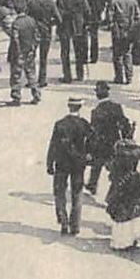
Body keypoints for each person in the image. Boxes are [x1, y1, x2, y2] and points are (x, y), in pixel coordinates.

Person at [104, 124, 140, 251]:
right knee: (135, 209)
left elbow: (108, 165)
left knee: (120, 210)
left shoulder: (117, 149)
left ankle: (121, 240)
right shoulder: (139, 149)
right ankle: (134, 236)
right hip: (134, 180)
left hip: (120, 181)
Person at [46, 96, 92, 235]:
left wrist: (49, 163)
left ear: (68, 106)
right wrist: (88, 157)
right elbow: (91, 142)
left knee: (59, 193)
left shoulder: (60, 124)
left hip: (61, 163)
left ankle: (63, 221)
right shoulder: (84, 124)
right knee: (77, 194)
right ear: (80, 107)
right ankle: (75, 225)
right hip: (78, 164)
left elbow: (53, 144)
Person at [86, 81, 131, 193]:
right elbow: (124, 123)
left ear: (97, 95)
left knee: (97, 165)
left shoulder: (96, 112)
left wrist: (89, 148)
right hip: (114, 142)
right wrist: (125, 138)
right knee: (114, 168)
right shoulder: (117, 107)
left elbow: (93, 132)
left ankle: (92, 185)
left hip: (101, 145)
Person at [55, 0, 91, 84]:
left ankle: (67, 76)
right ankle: (80, 74)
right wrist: (86, 21)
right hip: (78, 24)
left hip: (65, 25)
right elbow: (87, 10)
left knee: (65, 51)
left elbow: (59, 14)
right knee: (79, 50)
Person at [5, 8, 42, 106]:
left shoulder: (16, 23)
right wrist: (33, 48)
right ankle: (36, 94)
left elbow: (15, 39)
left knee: (16, 75)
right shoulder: (32, 20)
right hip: (29, 51)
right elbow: (37, 36)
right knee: (31, 73)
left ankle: (16, 97)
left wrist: (17, 52)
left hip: (18, 53)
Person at [108, 0, 140, 86]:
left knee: (117, 55)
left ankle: (119, 76)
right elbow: (137, 16)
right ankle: (129, 76)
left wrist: (111, 25)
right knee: (128, 53)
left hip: (118, 30)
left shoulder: (114, 2)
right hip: (130, 29)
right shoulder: (133, 1)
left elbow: (110, 17)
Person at [29, 0, 57, 89]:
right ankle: (42, 79)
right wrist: (50, 23)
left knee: (31, 56)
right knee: (43, 57)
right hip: (46, 32)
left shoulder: (32, 3)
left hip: (34, 32)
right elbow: (59, 19)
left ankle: (31, 79)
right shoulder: (51, 4)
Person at [79, 0, 108, 64]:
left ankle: (84, 57)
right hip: (96, 11)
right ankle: (94, 57)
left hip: (84, 12)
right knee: (94, 35)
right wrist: (101, 9)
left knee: (84, 35)